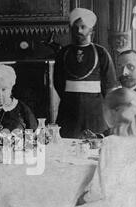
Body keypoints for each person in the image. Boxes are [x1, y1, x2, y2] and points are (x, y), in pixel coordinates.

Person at [54, 8, 118, 138]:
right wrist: (71, 99)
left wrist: (99, 107)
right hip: (69, 111)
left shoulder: (101, 53)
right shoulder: (63, 53)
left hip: (95, 112)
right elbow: (58, 82)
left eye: (83, 27)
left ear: (91, 31)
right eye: (75, 28)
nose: (78, 31)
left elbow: (110, 84)